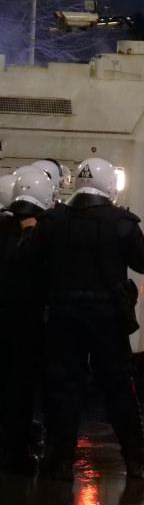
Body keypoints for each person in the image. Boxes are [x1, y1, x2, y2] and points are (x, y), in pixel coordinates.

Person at [40, 158, 144, 480]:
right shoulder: (121, 222)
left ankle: (59, 460)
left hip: (63, 315)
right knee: (117, 387)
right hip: (108, 319)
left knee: (64, 387)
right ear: (109, 186)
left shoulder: (53, 221)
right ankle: (134, 458)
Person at [0, 168, 54, 473]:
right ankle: (19, 452)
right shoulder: (39, 235)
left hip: (9, 320)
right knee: (23, 388)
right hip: (27, 323)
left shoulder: (6, 228)